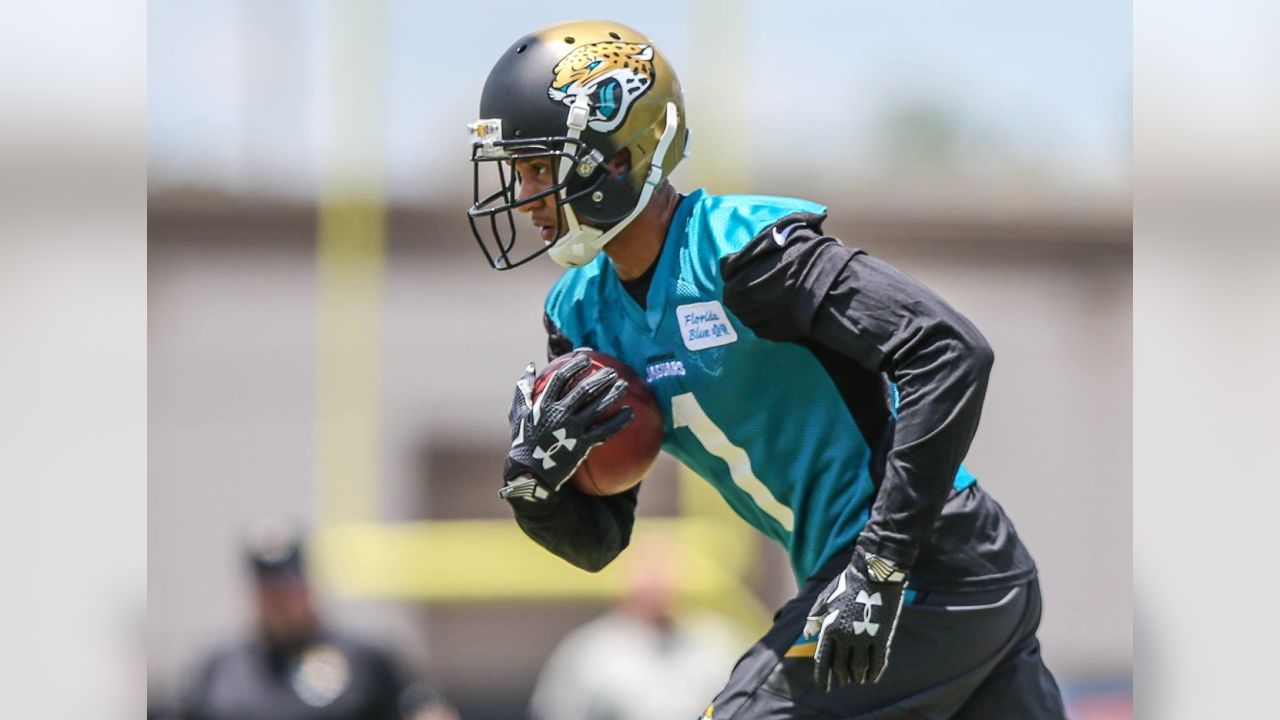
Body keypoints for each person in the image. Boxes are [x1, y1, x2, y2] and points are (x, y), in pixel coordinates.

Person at [468, 20, 1067, 719]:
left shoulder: (742, 254)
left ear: (619, 155)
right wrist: (539, 492)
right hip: (902, 577)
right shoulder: (580, 317)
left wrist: (879, 566)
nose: (526, 194)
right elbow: (602, 541)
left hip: (928, 565)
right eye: (519, 171)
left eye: (541, 166)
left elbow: (949, 349)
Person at [184, 518, 459, 720]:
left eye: (287, 588)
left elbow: (426, 709)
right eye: (269, 591)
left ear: (307, 586)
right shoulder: (220, 670)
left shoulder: (365, 660)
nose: (279, 602)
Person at [528, 544, 746, 720]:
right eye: (649, 582)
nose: (657, 590)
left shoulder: (714, 644)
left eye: (662, 580)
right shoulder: (589, 652)